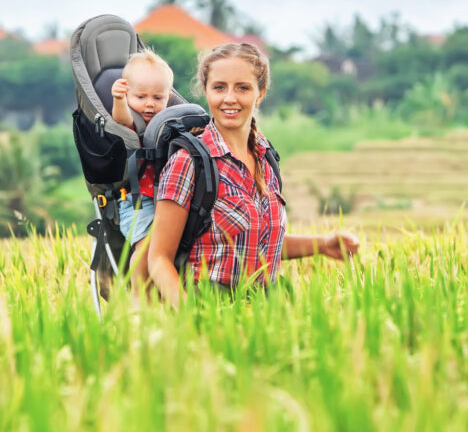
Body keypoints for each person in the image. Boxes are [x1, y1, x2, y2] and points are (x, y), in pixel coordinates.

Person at [147, 42, 359, 306]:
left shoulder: (267, 159)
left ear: (260, 93)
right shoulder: (189, 163)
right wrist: (192, 318)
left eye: (243, 88)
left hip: (266, 310)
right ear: (206, 91)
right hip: (210, 307)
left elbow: (257, 244)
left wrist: (324, 245)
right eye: (219, 87)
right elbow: (158, 258)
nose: (230, 98)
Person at [109, 48, 173, 303]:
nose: (149, 104)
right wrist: (120, 101)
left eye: (158, 97)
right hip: (138, 201)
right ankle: (139, 295)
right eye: (141, 96)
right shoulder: (134, 121)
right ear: (129, 94)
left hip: (167, 199)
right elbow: (121, 119)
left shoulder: (168, 121)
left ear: (168, 96)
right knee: (146, 245)